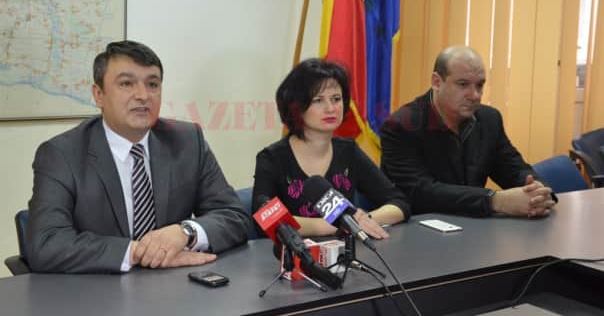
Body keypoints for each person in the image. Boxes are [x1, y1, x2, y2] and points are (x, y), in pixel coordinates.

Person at [27, 40, 251, 274]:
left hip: (175, 287)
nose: (143, 95)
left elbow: (234, 216)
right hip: (100, 289)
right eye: (126, 84)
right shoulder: (61, 154)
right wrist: (138, 252)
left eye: (152, 84)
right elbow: (46, 243)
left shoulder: (187, 141)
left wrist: (185, 232)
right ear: (99, 95)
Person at [380, 45, 557, 218]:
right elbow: (421, 192)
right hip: (419, 227)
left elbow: (514, 169)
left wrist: (538, 191)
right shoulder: (401, 125)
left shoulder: (489, 119)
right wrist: (495, 201)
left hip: (475, 226)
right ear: (437, 82)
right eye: (463, 84)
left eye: (480, 85)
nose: (475, 95)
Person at [253, 58, 410, 238]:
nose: (330, 108)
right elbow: (264, 220)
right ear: (296, 107)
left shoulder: (348, 151)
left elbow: (399, 203)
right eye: (318, 100)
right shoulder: (272, 158)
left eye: (336, 99)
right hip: (295, 253)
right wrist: (334, 225)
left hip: (346, 251)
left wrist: (361, 220)